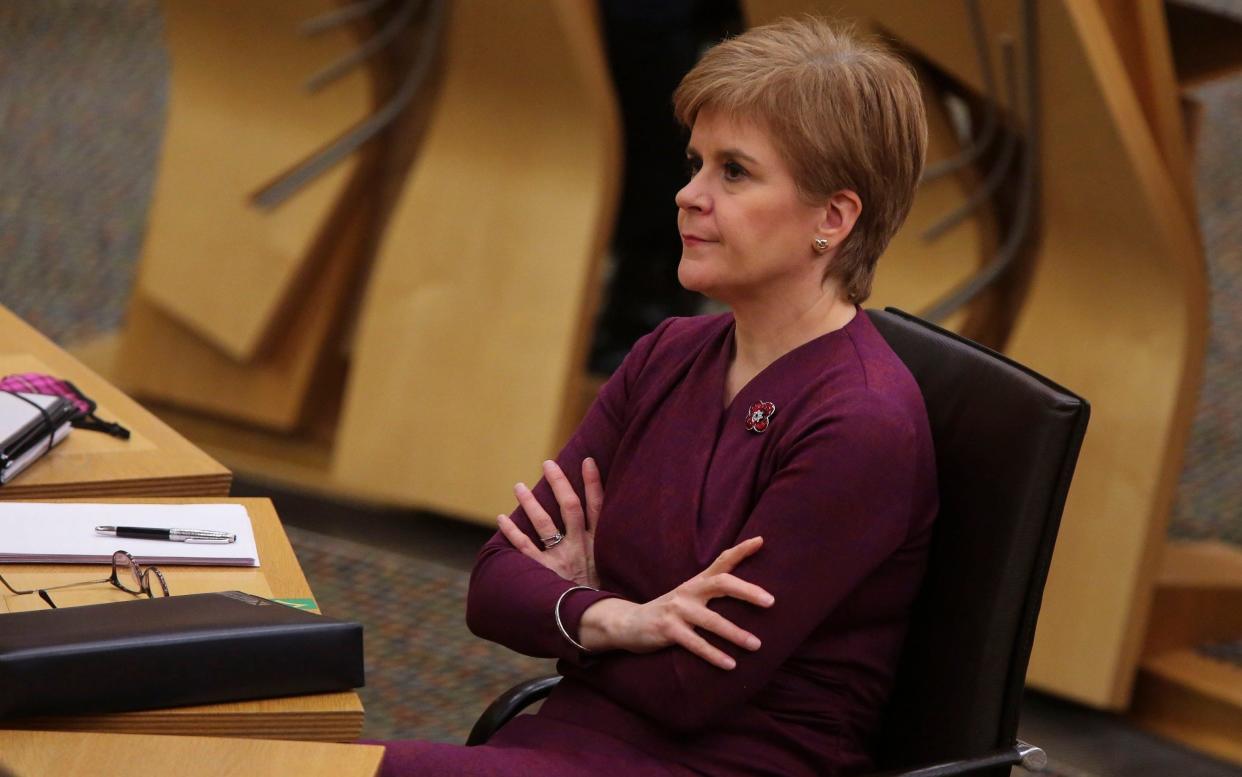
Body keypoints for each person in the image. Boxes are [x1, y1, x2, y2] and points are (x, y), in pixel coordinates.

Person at [376, 16, 934, 776]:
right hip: (566, 738)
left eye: (733, 172)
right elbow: (492, 584)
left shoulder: (861, 422)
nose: (687, 195)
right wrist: (615, 614)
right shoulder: (669, 353)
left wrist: (572, 612)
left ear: (832, 219)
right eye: (695, 163)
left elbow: (689, 686)